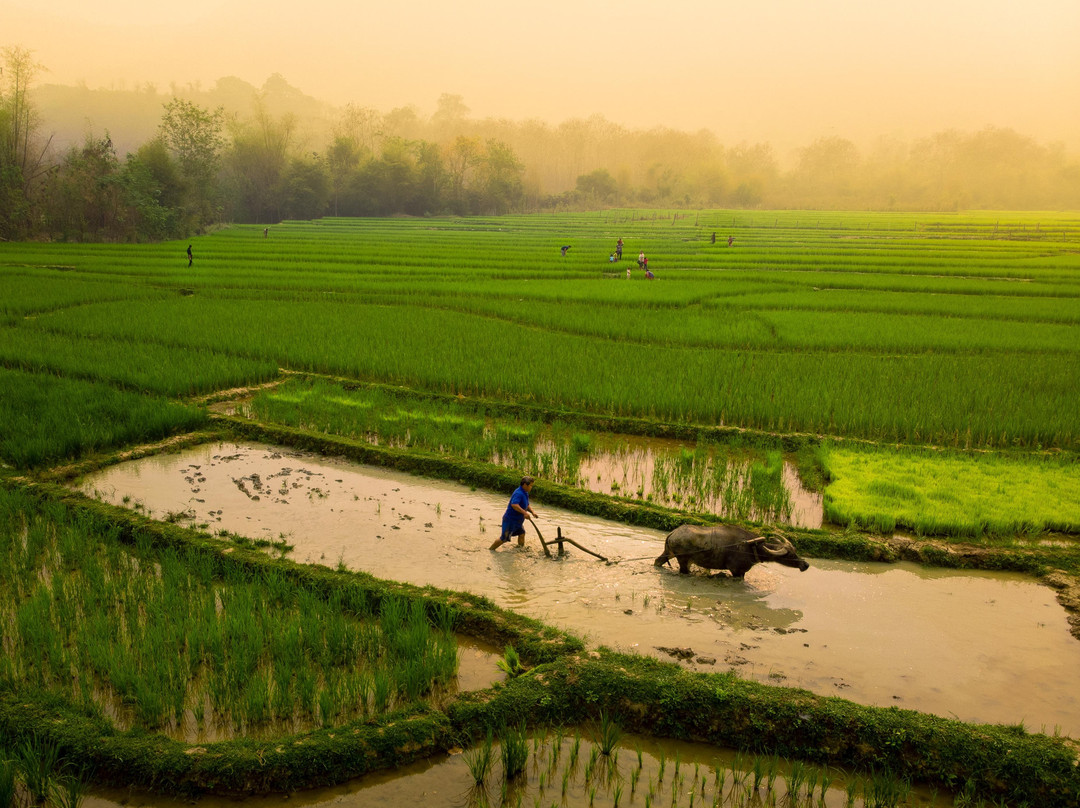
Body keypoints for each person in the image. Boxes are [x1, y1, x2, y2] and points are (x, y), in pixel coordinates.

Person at [490, 476, 538, 551]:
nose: (531, 487)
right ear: (525, 484)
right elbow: (514, 505)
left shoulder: (525, 493)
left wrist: (532, 512)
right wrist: (525, 513)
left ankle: (520, 550)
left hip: (518, 521)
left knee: (522, 534)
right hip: (510, 520)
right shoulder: (518, 493)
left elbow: (527, 505)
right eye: (531, 485)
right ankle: (491, 550)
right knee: (504, 539)